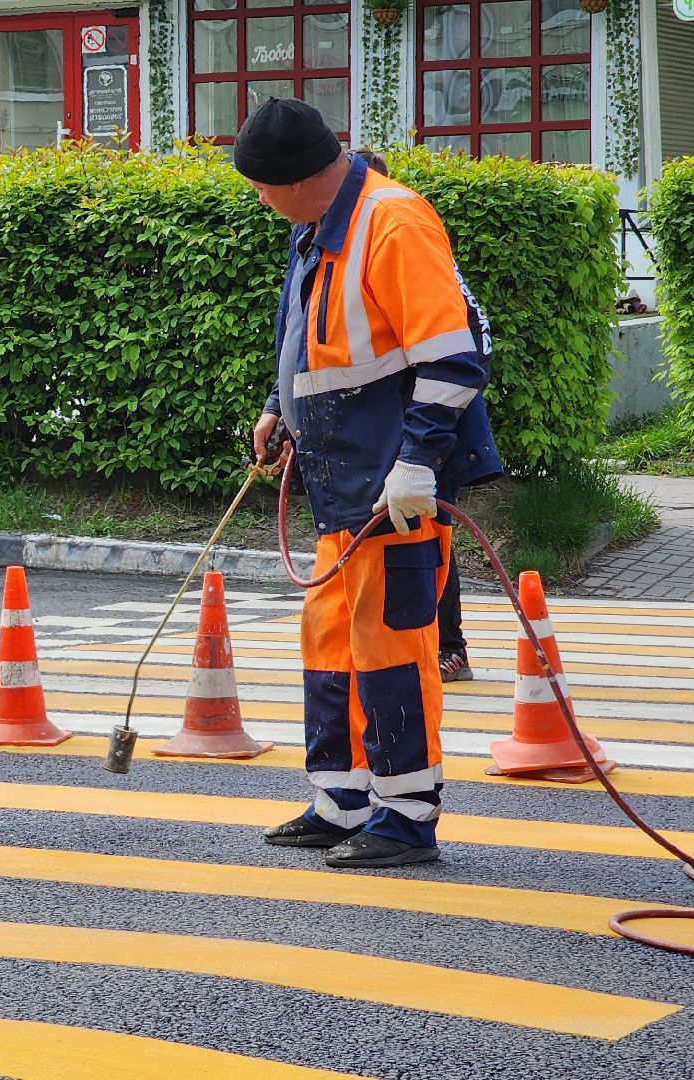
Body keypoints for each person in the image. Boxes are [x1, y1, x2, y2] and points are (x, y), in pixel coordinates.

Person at [240, 100, 501, 868]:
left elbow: (452, 359)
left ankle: (407, 812)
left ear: (298, 179)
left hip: (392, 479)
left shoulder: (394, 222)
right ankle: (343, 798)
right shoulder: (315, 227)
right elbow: (308, 332)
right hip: (339, 478)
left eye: (263, 186)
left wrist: (418, 461)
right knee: (332, 643)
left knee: (392, 647)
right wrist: (276, 406)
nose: (258, 199)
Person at [354, 147, 479, 684]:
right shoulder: (336, 247)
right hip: (384, 432)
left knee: (426, 536)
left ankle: (447, 646)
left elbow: (462, 348)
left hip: (425, 430)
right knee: (402, 543)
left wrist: (422, 448)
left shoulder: (400, 235)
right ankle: (418, 646)